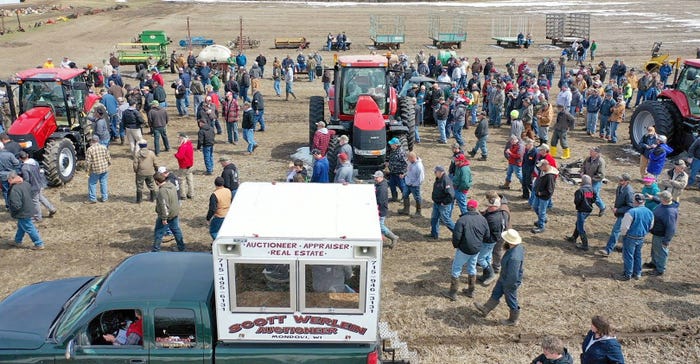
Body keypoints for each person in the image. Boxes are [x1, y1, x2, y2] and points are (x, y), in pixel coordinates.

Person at [473, 229, 525, 326]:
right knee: (496, 292)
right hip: (504, 277)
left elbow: (513, 275)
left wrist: (507, 286)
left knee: (511, 299)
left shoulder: (514, 257)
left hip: (510, 282)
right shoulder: (516, 247)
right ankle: (486, 308)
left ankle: (513, 320)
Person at [443, 199, 489, 301]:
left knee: (456, 268)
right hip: (476, 249)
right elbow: (487, 235)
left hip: (464, 249)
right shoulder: (483, 219)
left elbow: (456, 236)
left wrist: (456, 246)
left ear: (467, 207)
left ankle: (453, 292)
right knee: (472, 268)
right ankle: (471, 291)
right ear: (476, 208)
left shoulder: (462, 220)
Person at [617, 193, 654, 280]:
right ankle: (637, 273)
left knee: (628, 256)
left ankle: (627, 274)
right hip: (641, 237)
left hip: (630, 237)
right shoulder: (650, 212)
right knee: (638, 255)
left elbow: (624, 227)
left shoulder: (631, 212)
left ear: (635, 201)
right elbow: (651, 225)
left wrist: (623, 234)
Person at [6, 172, 45, 250]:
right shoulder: (26, 183)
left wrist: (12, 210)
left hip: (23, 212)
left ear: (11, 179)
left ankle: (39, 243)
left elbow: (16, 205)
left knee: (29, 227)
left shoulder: (14, 189)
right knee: (21, 226)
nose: (7, 181)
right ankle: (17, 241)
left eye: (8, 180)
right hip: (29, 208)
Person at [599, 173, 635, 257]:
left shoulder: (629, 191)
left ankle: (608, 250)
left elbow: (630, 206)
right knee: (624, 232)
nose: (619, 181)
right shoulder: (619, 187)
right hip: (620, 213)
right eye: (619, 180)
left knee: (615, 231)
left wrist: (618, 210)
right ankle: (624, 247)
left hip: (625, 215)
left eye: (621, 180)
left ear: (627, 182)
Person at [479, 191, 510, 284]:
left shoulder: (497, 217)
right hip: (493, 238)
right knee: (488, 255)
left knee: (482, 257)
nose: (487, 207)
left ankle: (493, 271)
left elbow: (499, 229)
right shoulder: (496, 211)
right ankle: (487, 273)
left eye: (489, 206)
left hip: (495, 238)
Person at [152, 172, 186, 252]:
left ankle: (155, 250)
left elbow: (164, 205)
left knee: (159, 232)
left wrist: (164, 218)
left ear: (157, 181)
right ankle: (181, 248)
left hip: (167, 216)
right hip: (174, 213)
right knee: (176, 230)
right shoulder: (171, 185)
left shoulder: (162, 191)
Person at [18, 151, 56, 221]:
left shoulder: (24, 168)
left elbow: (27, 180)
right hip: (39, 183)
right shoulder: (34, 162)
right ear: (27, 155)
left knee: (35, 201)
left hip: (33, 186)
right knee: (40, 198)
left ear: (20, 159)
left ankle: (37, 217)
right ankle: (52, 209)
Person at [566, 175, 597, 251]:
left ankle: (585, 245)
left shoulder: (580, 191)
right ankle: (573, 237)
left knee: (580, 227)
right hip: (588, 210)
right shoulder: (592, 190)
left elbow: (577, 201)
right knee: (578, 223)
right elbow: (594, 199)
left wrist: (579, 206)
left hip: (582, 210)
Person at [428, 166, 455, 240]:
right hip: (437, 203)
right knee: (434, 218)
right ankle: (434, 234)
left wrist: (444, 202)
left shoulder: (446, 181)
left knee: (446, 220)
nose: (434, 173)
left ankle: (458, 233)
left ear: (441, 172)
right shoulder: (438, 179)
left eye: (435, 172)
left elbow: (451, 195)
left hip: (443, 205)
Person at [531, 159, 558, 234]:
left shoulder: (550, 176)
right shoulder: (543, 171)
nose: (539, 168)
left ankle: (541, 226)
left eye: (540, 166)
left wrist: (541, 193)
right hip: (538, 194)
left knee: (541, 211)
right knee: (535, 207)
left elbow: (550, 190)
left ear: (545, 165)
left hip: (544, 197)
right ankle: (542, 219)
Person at [374, 170, 399, 248]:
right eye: (375, 177)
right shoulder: (381, 184)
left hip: (381, 210)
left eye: (376, 178)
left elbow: (380, 201)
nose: (375, 179)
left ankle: (393, 237)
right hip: (381, 208)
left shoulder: (382, 188)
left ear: (381, 177)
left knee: (380, 226)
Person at [581, 146, 607, 216]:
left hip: (595, 182)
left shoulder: (601, 162)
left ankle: (602, 207)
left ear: (597, 153)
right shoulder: (588, 159)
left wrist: (591, 179)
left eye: (592, 151)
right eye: (590, 151)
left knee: (594, 196)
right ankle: (586, 208)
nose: (590, 152)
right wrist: (582, 172)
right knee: (586, 194)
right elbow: (583, 166)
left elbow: (601, 175)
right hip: (586, 181)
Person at [85, 135, 111, 204]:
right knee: (103, 182)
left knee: (92, 183)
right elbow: (108, 157)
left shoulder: (90, 149)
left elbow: (88, 162)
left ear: (92, 141)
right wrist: (109, 164)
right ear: (98, 140)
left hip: (95, 170)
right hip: (104, 168)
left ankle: (93, 199)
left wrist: (87, 170)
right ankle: (104, 197)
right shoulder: (104, 147)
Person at [399, 151, 424, 216]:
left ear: (412, 158)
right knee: (405, 195)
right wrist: (404, 175)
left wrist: (414, 184)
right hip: (408, 183)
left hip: (414, 186)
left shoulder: (419, 166)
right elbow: (409, 171)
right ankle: (406, 210)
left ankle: (418, 212)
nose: (408, 160)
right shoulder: (411, 163)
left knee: (417, 198)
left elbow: (421, 179)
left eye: (408, 159)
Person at [386, 137, 407, 202]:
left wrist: (403, 173)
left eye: (391, 144)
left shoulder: (401, 152)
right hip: (392, 172)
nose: (390, 145)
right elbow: (393, 159)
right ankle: (394, 197)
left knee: (402, 186)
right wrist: (388, 163)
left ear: (396, 145)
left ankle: (405, 198)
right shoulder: (393, 150)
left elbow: (405, 164)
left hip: (399, 173)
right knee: (392, 185)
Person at [174, 133, 194, 199]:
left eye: (179, 138)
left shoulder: (183, 146)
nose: (178, 140)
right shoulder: (190, 144)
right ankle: (191, 194)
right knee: (190, 180)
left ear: (182, 138)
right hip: (190, 165)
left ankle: (183, 195)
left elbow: (180, 156)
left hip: (183, 166)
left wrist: (176, 154)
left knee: (181, 180)